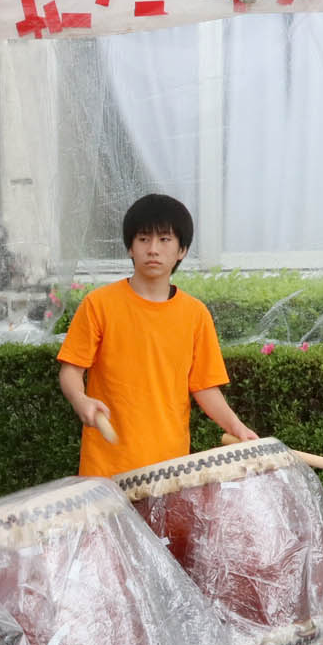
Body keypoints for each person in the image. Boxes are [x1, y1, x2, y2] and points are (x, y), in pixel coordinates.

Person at [56, 193, 255, 477]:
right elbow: (71, 370)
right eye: (143, 239)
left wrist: (237, 428)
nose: (153, 249)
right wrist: (80, 399)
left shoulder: (195, 314)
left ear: (182, 250)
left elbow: (205, 387)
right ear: (130, 248)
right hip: (107, 468)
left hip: (169, 469)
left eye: (164, 240)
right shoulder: (99, 305)